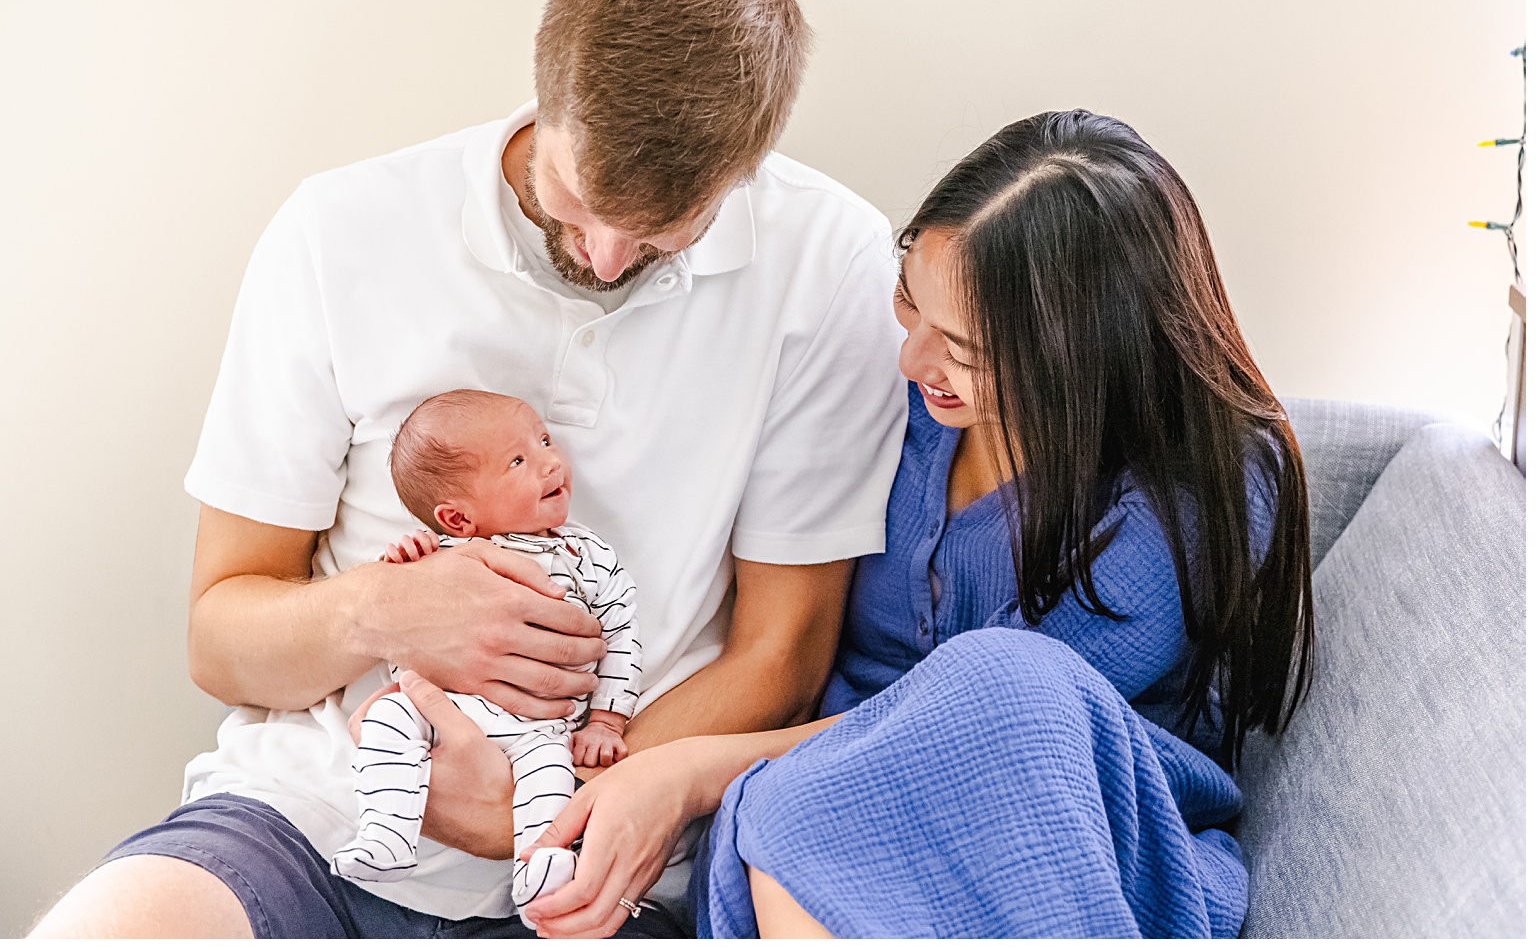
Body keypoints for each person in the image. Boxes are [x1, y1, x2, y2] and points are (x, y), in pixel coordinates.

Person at [29, 0, 907, 939]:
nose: (611, 257)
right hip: (314, 820)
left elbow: (783, 649)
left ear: (749, 166)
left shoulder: (828, 259)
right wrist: (382, 614)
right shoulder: (339, 232)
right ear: (546, 97)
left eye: (667, 231)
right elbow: (220, 637)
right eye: (580, 203)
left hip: (615, 868)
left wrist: (551, 796)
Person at [513, 109, 1316, 939]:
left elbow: (977, 725)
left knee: (999, 678)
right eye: (908, 302)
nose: (912, 361)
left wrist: (686, 774)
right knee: (805, 819)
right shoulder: (900, 404)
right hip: (803, 809)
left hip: (1059, 837)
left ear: (1085, 354)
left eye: (964, 349)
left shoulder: (1203, 488)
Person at [330, 390, 640, 933]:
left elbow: (622, 637)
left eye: (543, 441)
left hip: (541, 727)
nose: (550, 461)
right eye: (518, 461)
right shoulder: (444, 558)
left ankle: (540, 866)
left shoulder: (586, 556)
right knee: (386, 718)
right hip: (444, 710)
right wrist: (403, 565)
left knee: (550, 775)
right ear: (457, 517)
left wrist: (608, 721)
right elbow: (401, 612)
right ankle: (387, 830)